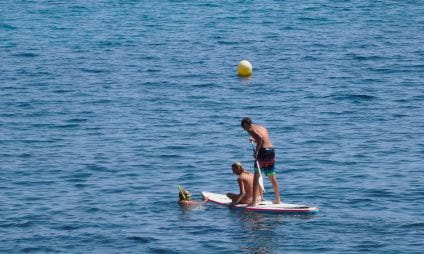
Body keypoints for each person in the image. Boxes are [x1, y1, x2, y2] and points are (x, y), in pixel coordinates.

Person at [241, 117, 281, 206]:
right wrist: (254, 140)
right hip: (271, 151)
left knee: (256, 177)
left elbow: (260, 139)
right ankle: (278, 199)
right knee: (272, 176)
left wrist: (256, 152)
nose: (244, 129)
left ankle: (254, 202)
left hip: (263, 152)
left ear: (246, 124)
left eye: (244, 127)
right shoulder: (261, 127)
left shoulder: (250, 129)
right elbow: (263, 139)